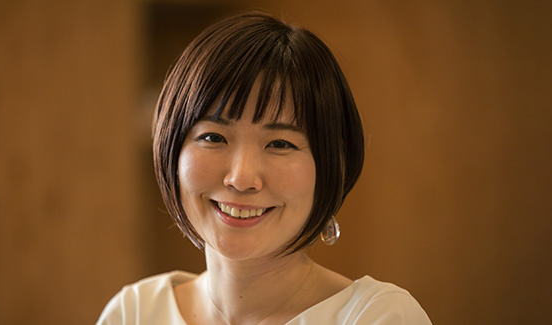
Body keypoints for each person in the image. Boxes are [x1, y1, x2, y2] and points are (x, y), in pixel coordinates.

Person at [97, 11, 432, 325]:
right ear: (172, 148)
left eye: (280, 144)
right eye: (213, 137)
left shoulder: (376, 317)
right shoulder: (134, 314)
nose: (241, 178)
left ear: (329, 164)